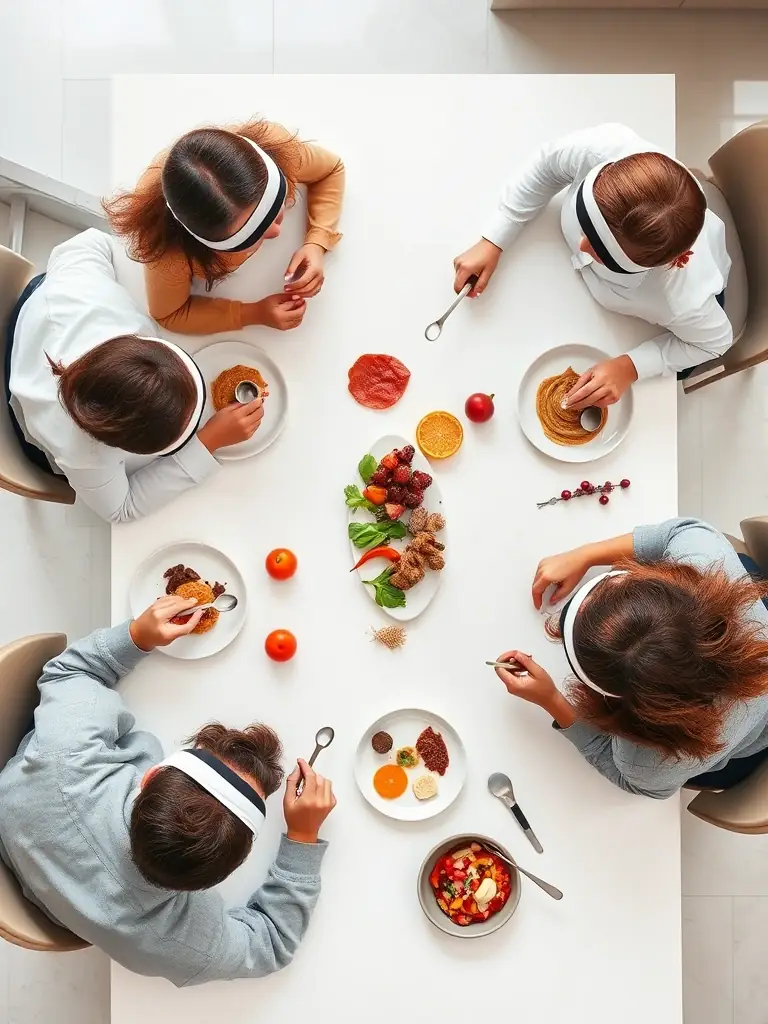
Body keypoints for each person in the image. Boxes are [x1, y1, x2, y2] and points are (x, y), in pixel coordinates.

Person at [0, 595, 336, 986]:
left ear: (148, 778)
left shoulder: (66, 757)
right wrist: (302, 839)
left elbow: (73, 672)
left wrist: (137, 637)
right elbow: (271, 945)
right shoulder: (175, 945)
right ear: (217, 877)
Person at [453, 123, 733, 408]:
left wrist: (630, 366)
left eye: (602, 252)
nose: (583, 246)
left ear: (650, 267)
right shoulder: (607, 147)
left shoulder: (682, 301)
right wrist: (495, 238)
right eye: (586, 219)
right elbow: (548, 167)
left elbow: (714, 343)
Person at [493, 518, 768, 799]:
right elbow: (680, 531)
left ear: (612, 694)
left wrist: (551, 700)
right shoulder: (706, 557)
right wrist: (586, 555)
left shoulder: (651, 762)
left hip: (749, 742)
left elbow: (631, 781)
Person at [7, 228, 264, 523]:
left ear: (143, 345)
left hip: (42, 306)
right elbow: (121, 509)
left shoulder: (89, 293)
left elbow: (91, 241)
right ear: (122, 447)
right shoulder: (85, 454)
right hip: (21, 396)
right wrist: (207, 443)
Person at [104, 118, 345, 335]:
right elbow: (169, 314)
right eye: (249, 237)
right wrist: (253, 313)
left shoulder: (277, 146)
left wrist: (316, 241)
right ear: (202, 243)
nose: (276, 232)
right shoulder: (167, 252)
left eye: (274, 206)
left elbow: (331, 169)